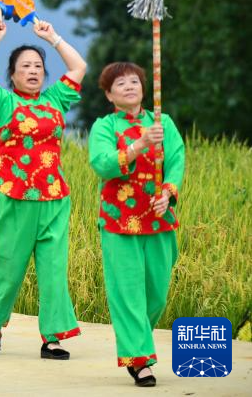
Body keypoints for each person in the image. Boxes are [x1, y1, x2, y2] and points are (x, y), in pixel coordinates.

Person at [0, 17, 87, 359]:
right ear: (12, 75)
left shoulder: (55, 100)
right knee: (7, 266)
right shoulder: (3, 103)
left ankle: (52, 337)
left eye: (38, 66)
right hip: (14, 198)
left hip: (54, 198)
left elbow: (79, 67)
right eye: (25, 66)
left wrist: (53, 38)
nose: (33, 71)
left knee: (53, 271)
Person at [89, 62, 184, 387]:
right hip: (119, 223)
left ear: (144, 88)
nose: (129, 86)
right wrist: (139, 145)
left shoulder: (163, 123)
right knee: (128, 293)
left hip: (159, 220)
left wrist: (168, 193)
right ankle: (139, 359)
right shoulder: (104, 127)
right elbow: (102, 164)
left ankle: (136, 342)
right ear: (108, 94)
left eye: (134, 81)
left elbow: (176, 160)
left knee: (156, 294)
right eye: (120, 84)